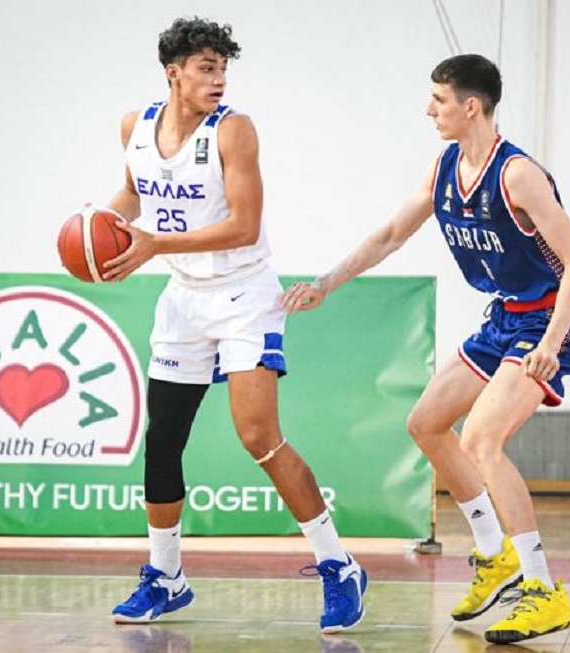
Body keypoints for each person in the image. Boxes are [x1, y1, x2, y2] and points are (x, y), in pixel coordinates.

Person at [282, 53, 570, 644]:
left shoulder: (517, 175)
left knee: (482, 440)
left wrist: (551, 344)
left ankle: (544, 590)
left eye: (439, 99)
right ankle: (494, 555)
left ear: (471, 106)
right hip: (505, 318)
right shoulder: (446, 167)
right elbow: (391, 235)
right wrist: (326, 283)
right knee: (425, 423)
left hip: (551, 320)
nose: (429, 109)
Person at [94, 16, 367, 632]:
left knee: (258, 438)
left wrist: (154, 244)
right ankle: (166, 576)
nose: (218, 79)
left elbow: (244, 226)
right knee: (162, 442)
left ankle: (339, 565)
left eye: (223, 68)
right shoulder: (134, 127)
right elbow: (134, 193)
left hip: (245, 294)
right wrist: (94, 225)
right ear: (174, 73)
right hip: (184, 299)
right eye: (206, 68)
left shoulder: (234, 130)